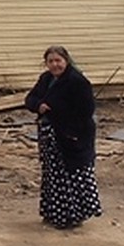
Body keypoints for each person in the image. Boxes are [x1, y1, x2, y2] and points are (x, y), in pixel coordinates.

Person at [24, 45, 103, 229]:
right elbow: (30, 99)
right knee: (54, 177)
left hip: (73, 137)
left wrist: (71, 133)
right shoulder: (46, 79)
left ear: (66, 61)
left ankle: (74, 216)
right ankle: (54, 214)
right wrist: (39, 106)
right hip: (51, 138)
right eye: (50, 61)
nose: (55, 65)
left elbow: (86, 111)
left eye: (58, 60)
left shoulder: (77, 81)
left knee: (75, 176)